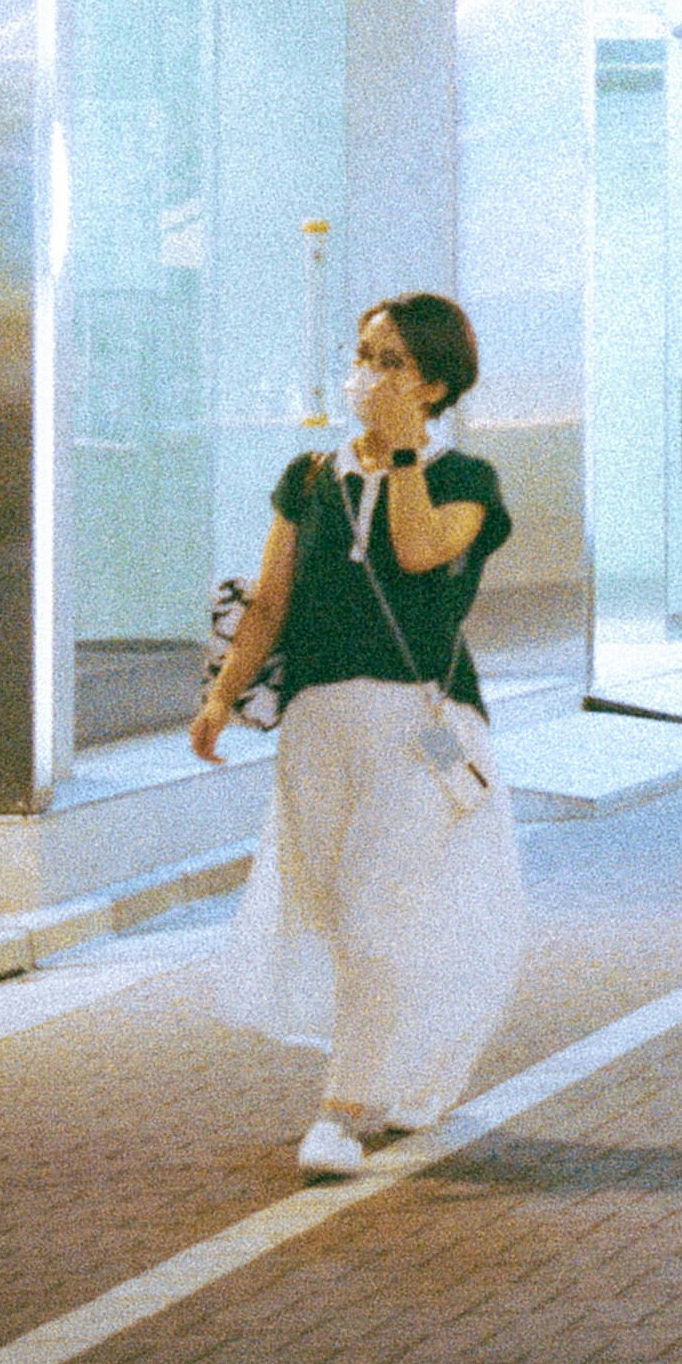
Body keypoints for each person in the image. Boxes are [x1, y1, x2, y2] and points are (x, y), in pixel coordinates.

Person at [195, 294, 528, 1174]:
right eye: (363, 356)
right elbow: (271, 600)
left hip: (424, 724)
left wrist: (404, 450)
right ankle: (399, 1062)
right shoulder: (310, 479)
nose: (367, 376)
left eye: (391, 362)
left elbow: (417, 551)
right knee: (340, 913)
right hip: (318, 722)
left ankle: (343, 1113)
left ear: (434, 384)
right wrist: (222, 697)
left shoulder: (468, 481)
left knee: (375, 908)